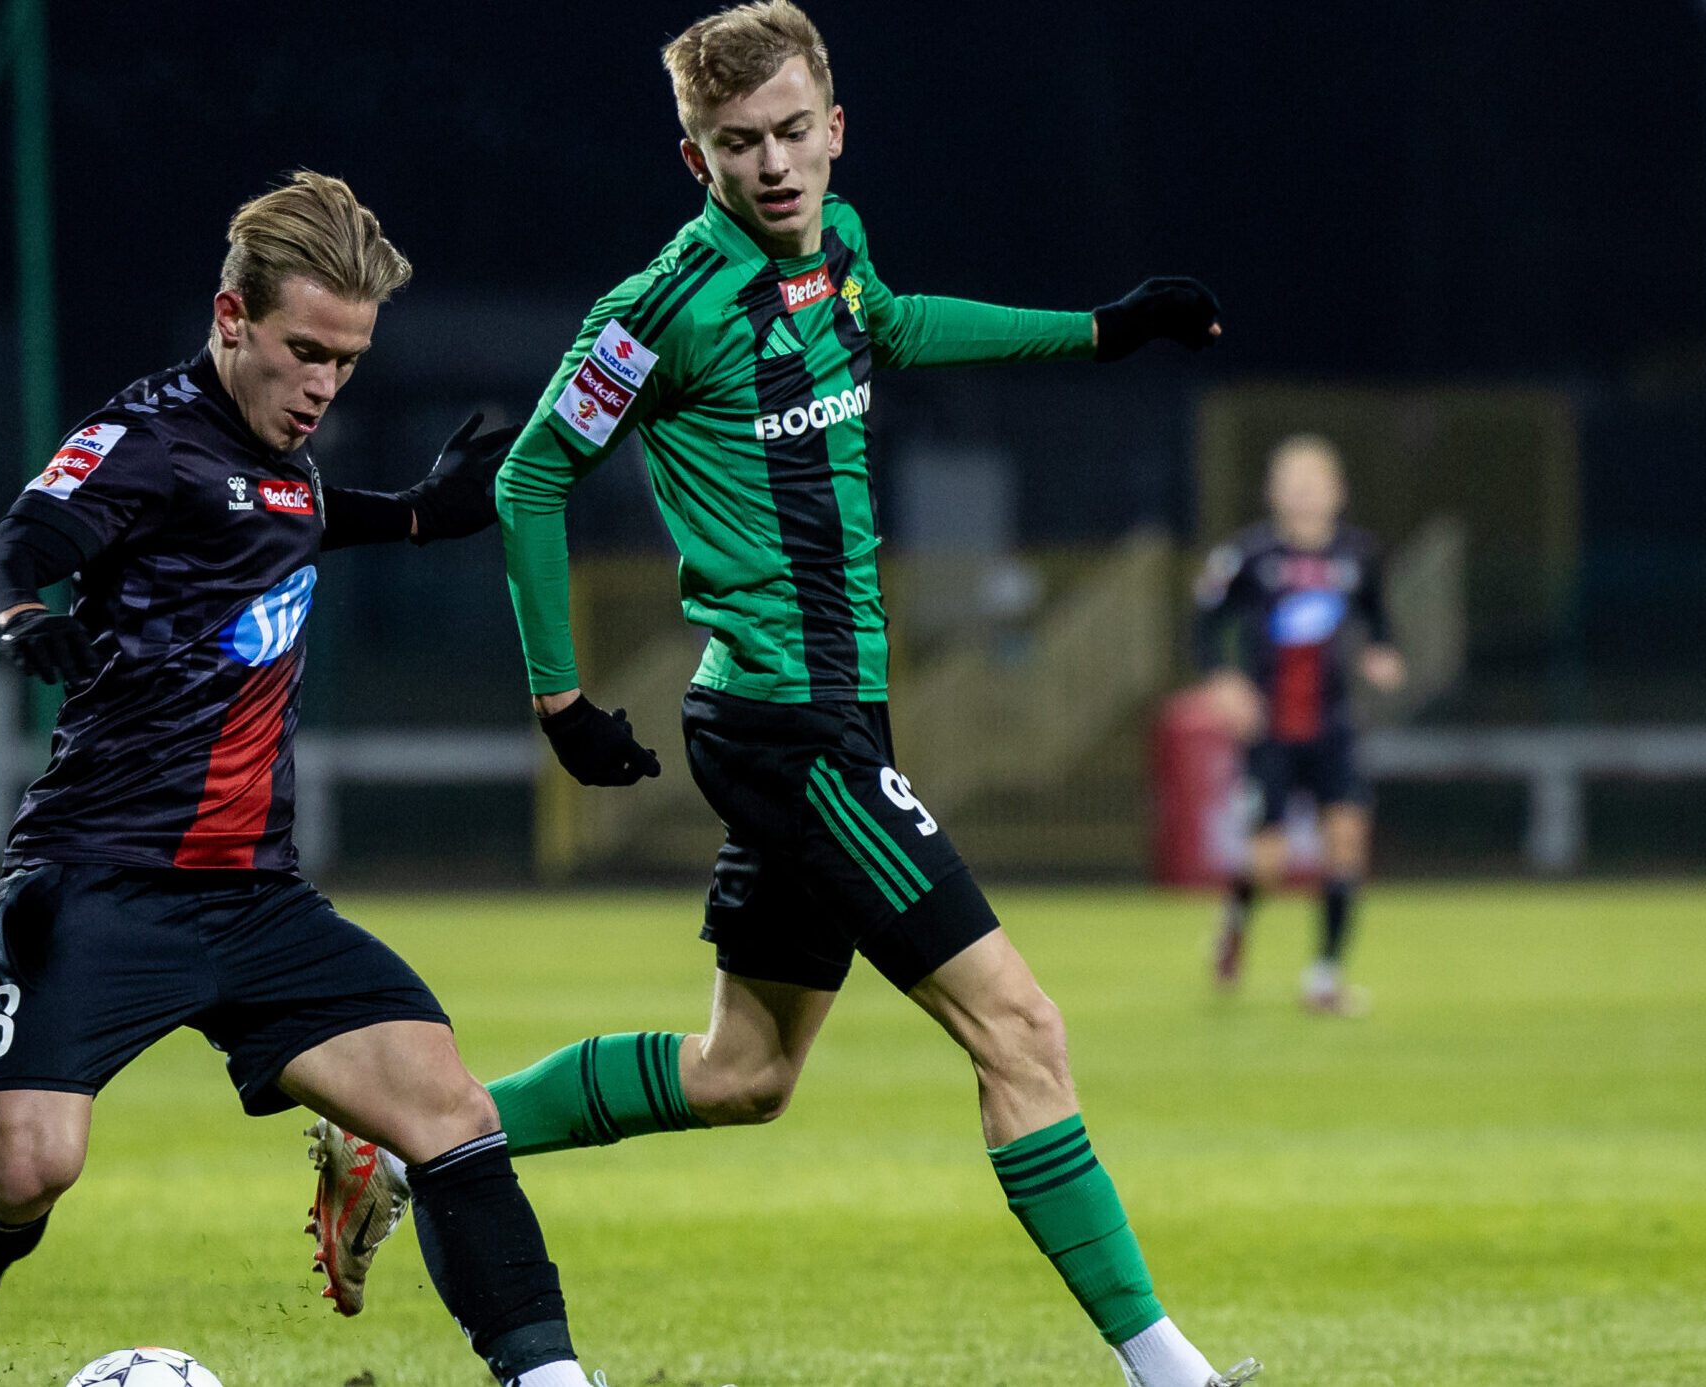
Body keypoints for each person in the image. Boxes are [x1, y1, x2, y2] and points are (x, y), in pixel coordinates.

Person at [304, 8, 1256, 1386]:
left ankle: (404, 1141)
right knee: (1021, 1029)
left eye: (792, 132)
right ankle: (1170, 1371)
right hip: (783, 726)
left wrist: (1105, 329)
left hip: (834, 715)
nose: (772, 164)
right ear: (693, 157)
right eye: (737, 142)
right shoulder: (658, 310)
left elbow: (895, 324)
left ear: (834, 130)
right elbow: (530, 476)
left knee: (740, 1072)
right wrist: (560, 698)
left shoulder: (839, 249)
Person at [0, 172, 601, 1387]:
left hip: (255, 896)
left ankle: (553, 1382)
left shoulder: (278, 461)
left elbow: (287, 512)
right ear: (231, 318)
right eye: (305, 352)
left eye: (348, 360)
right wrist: (25, 617)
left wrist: (421, 515)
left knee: (452, 1112)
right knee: (27, 1168)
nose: (326, 385)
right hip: (100, 879)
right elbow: (2, 556)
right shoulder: (144, 441)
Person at [1191, 433, 1403, 1013]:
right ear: (1274, 493)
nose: (1306, 494)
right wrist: (1223, 679)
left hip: (1334, 724)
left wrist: (1382, 652)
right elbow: (1205, 624)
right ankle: (1236, 919)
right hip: (1270, 728)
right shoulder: (1249, 556)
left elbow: (1379, 618)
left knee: (1347, 840)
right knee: (1269, 861)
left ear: (1338, 492)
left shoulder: (1358, 555)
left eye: (1316, 483)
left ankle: (1325, 977)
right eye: (1294, 484)